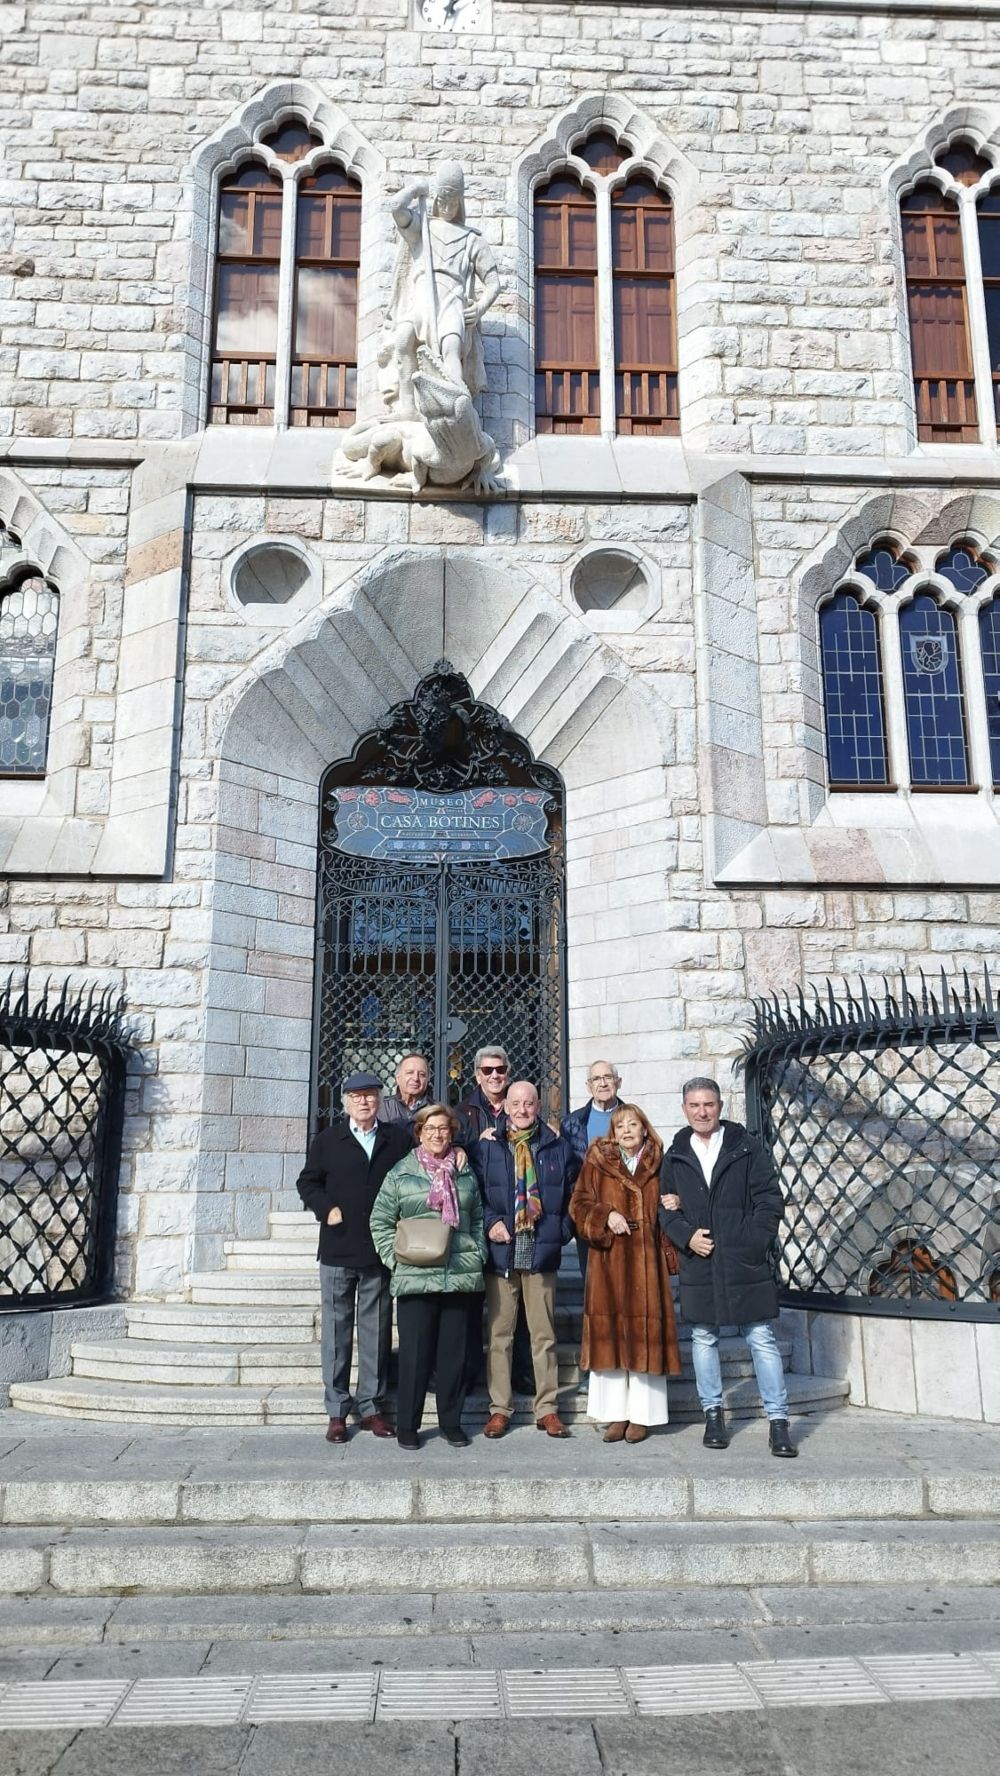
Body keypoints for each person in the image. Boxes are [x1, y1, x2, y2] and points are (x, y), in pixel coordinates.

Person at [659, 1077, 797, 1459]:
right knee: (704, 1337)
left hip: (743, 1259)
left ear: (720, 1106)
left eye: (709, 1104)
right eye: (695, 1105)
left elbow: (769, 1200)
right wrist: (686, 1237)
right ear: (684, 1109)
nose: (702, 1112)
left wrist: (750, 1242)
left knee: (761, 1337)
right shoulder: (675, 1155)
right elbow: (664, 1209)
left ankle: (779, 1421)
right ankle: (714, 1416)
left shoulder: (746, 1147)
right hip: (700, 1261)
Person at [295, 1072, 411, 1444]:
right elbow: (307, 1182)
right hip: (338, 1248)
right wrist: (325, 1208)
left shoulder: (396, 1139)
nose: (364, 1102)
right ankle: (337, 1411)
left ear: (380, 1100)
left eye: (370, 1095)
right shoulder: (328, 1140)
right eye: (357, 1096)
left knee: (376, 1331)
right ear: (345, 1101)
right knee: (336, 1332)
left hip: (378, 1250)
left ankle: (372, 1408)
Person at [370, 1103, 486, 1451]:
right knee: (414, 1357)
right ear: (419, 1133)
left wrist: (477, 1252)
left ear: (452, 1133)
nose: (437, 1134)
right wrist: (395, 1260)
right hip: (416, 1278)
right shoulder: (401, 1173)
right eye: (430, 1128)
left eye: (444, 1128)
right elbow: (380, 1220)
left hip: (458, 1275)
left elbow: (478, 1217)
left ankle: (451, 1422)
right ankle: (408, 1424)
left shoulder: (464, 1171)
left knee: (453, 1357)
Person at [569, 1103, 682, 1443]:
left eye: (633, 1125)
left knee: (645, 1337)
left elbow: (679, 1198)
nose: (627, 1131)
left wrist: (676, 1202)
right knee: (611, 1338)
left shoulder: (661, 1162)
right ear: (613, 1133)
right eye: (620, 1126)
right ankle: (615, 1414)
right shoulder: (597, 1162)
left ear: (645, 1129)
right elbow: (578, 1205)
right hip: (609, 1263)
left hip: (648, 1263)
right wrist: (605, 1216)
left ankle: (643, 1416)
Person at [474, 1080, 579, 1439]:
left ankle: (547, 1408)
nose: (522, 1110)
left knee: (543, 1335)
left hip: (540, 1251)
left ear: (538, 1107)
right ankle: (499, 1409)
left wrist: (561, 1230)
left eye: (529, 1103)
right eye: (516, 1103)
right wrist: (490, 1223)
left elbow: (575, 1193)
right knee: (499, 1335)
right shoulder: (488, 1147)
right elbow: (475, 1194)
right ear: (505, 1107)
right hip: (502, 1253)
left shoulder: (557, 1147)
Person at [561, 1060, 624, 1394]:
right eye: (596, 1079)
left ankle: (626, 1364)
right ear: (588, 1085)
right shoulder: (573, 1123)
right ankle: (595, 1367)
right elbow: (569, 1173)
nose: (602, 1083)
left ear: (618, 1082)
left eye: (607, 1077)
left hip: (626, 1222)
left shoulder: (632, 1118)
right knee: (594, 1297)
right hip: (589, 1223)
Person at [379, 1054, 432, 1128]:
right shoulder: (382, 1108)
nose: (416, 1078)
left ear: (427, 1080)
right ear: (398, 1078)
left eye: (421, 1074)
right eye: (410, 1073)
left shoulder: (435, 1110)